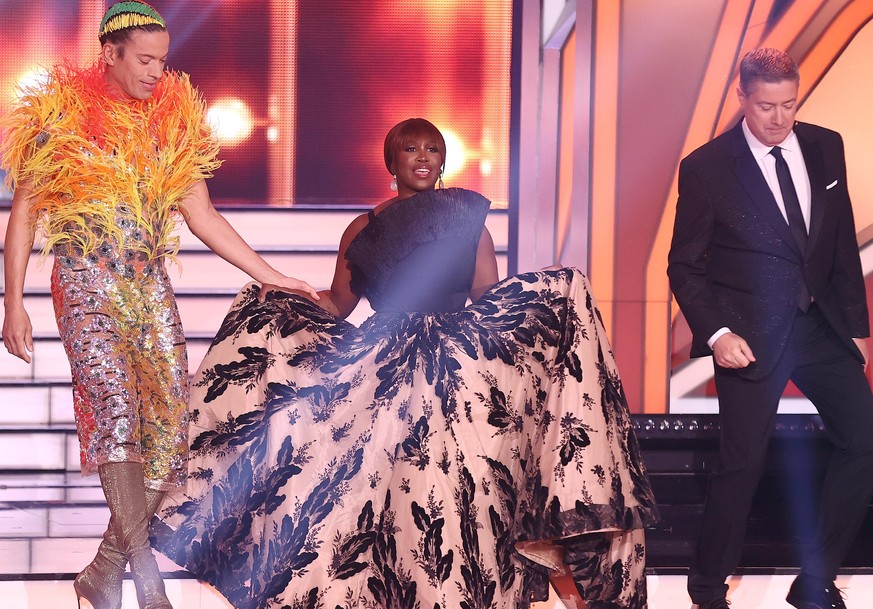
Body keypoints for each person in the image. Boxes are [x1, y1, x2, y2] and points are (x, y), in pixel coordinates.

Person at [150, 118, 658, 609]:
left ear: (443, 161)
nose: (422, 157)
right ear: (390, 161)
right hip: (383, 362)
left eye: (432, 149)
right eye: (411, 148)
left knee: (461, 482)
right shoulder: (363, 228)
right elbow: (339, 306)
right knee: (372, 489)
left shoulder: (469, 223)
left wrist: (532, 315)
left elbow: (486, 296)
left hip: (456, 360)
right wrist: (284, 295)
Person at [0, 3, 316, 609]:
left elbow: (202, 217)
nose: (154, 72)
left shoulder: (171, 120)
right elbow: (24, 218)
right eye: (143, 60)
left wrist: (271, 275)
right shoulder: (58, 119)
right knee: (117, 414)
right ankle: (147, 583)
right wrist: (13, 304)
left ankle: (102, 572)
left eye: (162, 61)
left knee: (172, 434)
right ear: (110, 55)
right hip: (86, 281)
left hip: (149, 290)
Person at [667, 48, 873, 609]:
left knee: (865, 440)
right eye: (766, 106)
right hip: (748, 337)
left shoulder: (826, 146)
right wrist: (716, 334)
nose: (780, 118)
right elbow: (684, 266)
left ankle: (813, 581)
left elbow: (837, 248)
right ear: (742, 98)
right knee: (743, 462)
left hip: (820, 327)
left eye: (789, 104)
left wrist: (857, 327)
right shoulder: (707, 167)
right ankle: (707, 589)